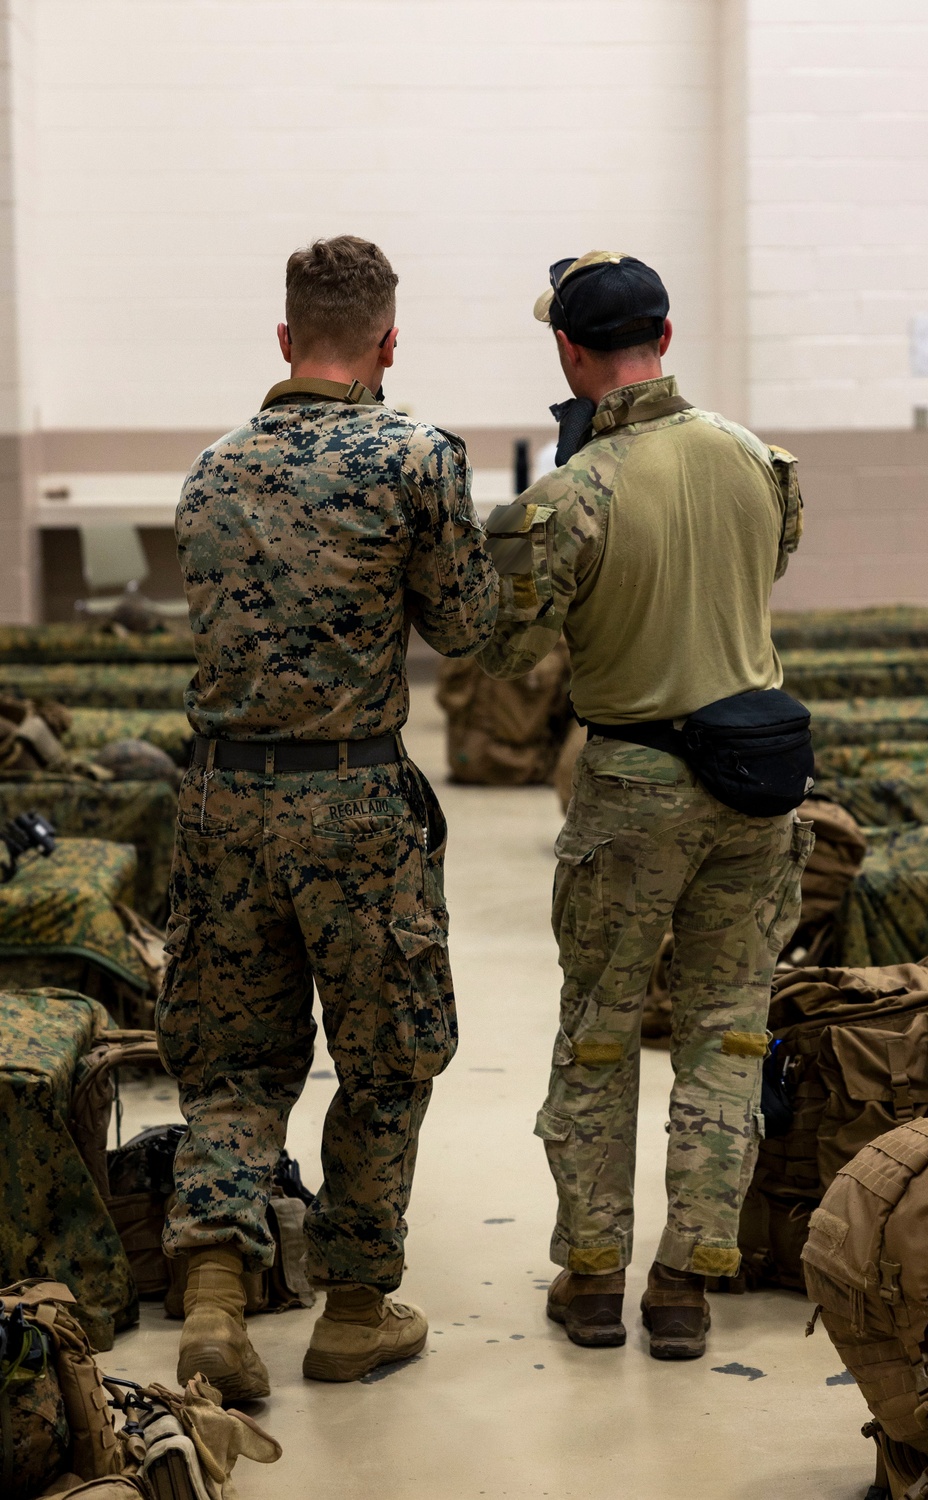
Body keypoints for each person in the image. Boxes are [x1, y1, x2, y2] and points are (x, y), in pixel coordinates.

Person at [158, 235, 498, 1396]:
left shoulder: (210, 468)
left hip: (218, 801)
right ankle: (354, 1308)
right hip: (352, 803)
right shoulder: (417, 459)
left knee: (234, 1066)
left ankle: (213, 1298)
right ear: (389, 343)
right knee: (386, 1055)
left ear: (284, 338)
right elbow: (462, 629)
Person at [478, 251, 812, 1360]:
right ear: (663, 338)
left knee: (599, 1037)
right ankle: (684, 1284)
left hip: (631, 785)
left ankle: (590, 1279)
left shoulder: (569, 496)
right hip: (757, 783)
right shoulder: (754, 459)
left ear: (570, 354)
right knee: (725, 1037)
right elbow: (766, 563)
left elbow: (506, 649)